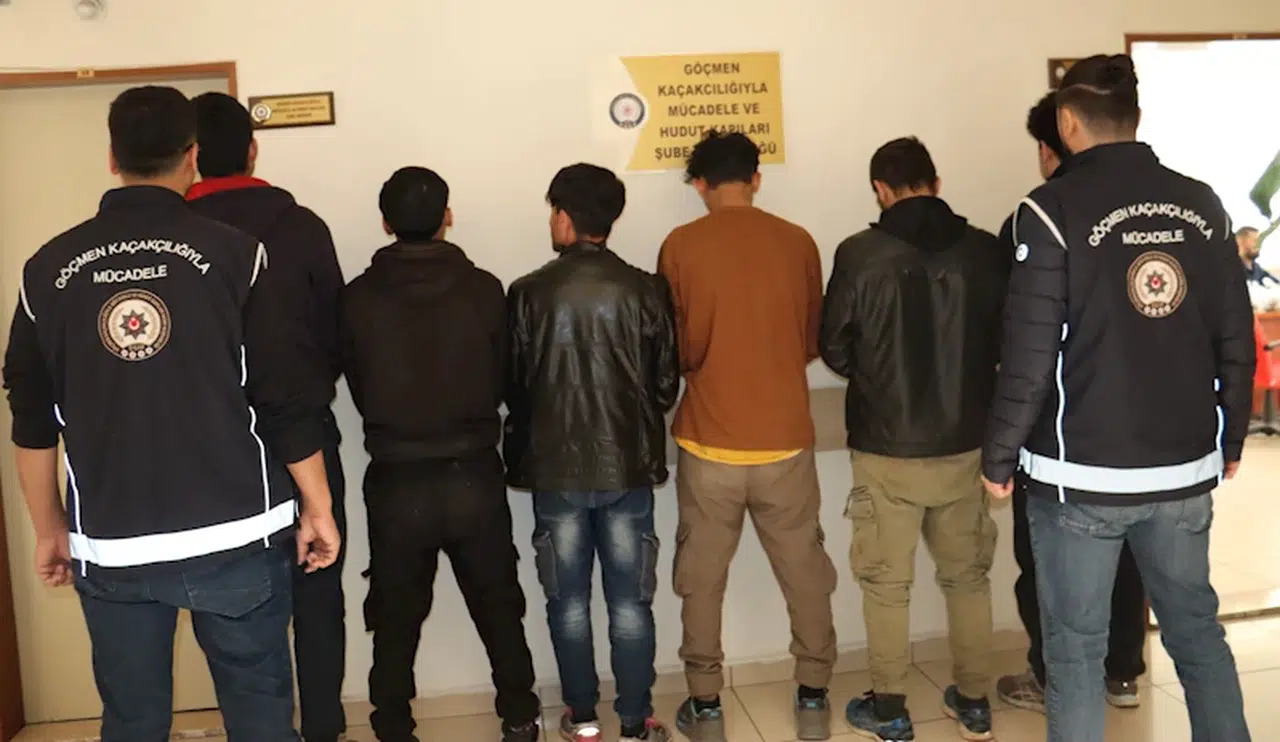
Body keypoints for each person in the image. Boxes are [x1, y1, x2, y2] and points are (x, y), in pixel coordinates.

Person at [2, 85, 340, 742]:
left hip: (114, 544)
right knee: (261, 718)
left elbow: (32, 417)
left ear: (112, 157)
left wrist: (49, 530)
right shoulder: (238, 257)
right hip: (238, 535)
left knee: (133, 721)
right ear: (192, 156)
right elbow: (284, 398)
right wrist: (318, 506)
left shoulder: (46, 270)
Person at [982, 55, 1254, 742]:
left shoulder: (1047, 211)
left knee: (1075, 654)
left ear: (1067, 122)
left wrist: (999, 456)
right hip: (1182, 470)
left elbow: (1029, 356)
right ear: (1134, 118)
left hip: (1080, 478)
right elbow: (1235, 335)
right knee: (1197, 634)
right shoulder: (1202, 204)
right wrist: (1231, 438)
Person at [341, 167, 541, 742]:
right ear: (447, 218)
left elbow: (356, 384)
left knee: (395, 619)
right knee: (499, 607)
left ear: (386, 223)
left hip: (396, 477)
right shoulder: (485, 290)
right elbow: (509, 380)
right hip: (474, 471)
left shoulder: (354, 299)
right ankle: (520, 718)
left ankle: (393, 727)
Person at [819, 136, 1004, 742]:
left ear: (880, 189)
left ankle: (891, 710)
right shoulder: (985, 251)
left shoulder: (859, 253)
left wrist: (876, 377)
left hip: (885, 446)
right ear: (936, 183)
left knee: (886, 586)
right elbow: (1006, 342)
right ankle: (974, 701)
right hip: (967, 443)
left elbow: (833, 347)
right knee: (968, 579)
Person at [658, 131, 837, 742]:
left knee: (701, 581)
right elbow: (812, 340)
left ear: (699, 184)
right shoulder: (798, 242)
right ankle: (813, 699)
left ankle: (706, 705)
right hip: (785, 440)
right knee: (805, 574)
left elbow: (676, 347)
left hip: (708, 443)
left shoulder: (680, 245)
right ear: (756, 179)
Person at [187, 92, 349, 742]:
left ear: (191, 157)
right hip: (305, 435)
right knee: (318, 587)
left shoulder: (176, 237)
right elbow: (336, 333)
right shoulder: (302, 226)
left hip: (212, 447)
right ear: (253, 150)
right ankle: (324, 726)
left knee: (229, 597)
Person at [505, 163, 679, 742]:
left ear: (565, 217)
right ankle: (635, 722)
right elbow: (665, 387)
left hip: (555, 471)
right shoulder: (646, 290)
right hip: (627, 468)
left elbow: (514, 388)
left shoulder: (527, 293)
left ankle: (582, 720)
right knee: (631, 603)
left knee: (567, 602)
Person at [993, 92, 1149, 715]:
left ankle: (1050, 677)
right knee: (1129, 555)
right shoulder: (1153, 213)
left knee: (1047, 566)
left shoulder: (1034, 219)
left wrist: (1002, 445)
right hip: (1143, 429)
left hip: (1058, 435)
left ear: (1048, 146)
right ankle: (1124, 672)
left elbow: (1017, 341)